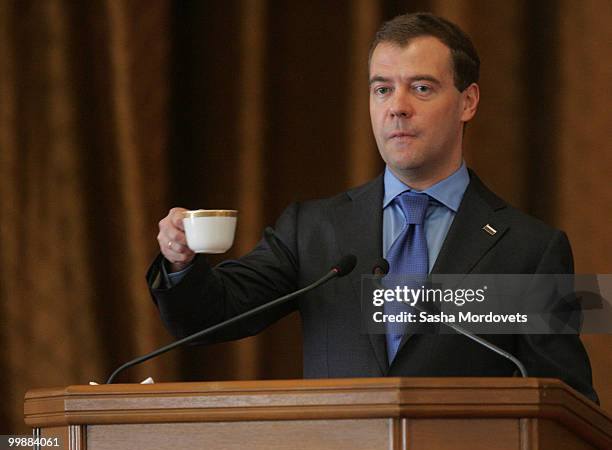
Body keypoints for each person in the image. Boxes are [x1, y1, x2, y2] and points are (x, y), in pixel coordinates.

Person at [147, 12, 597, 403]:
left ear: (468, 101)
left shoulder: (531, 250)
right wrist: (180, 262)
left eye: (421, 88)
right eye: (382, 89)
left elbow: (568, 404)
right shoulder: (314, 229)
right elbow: (211, 314)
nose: (397, 108)